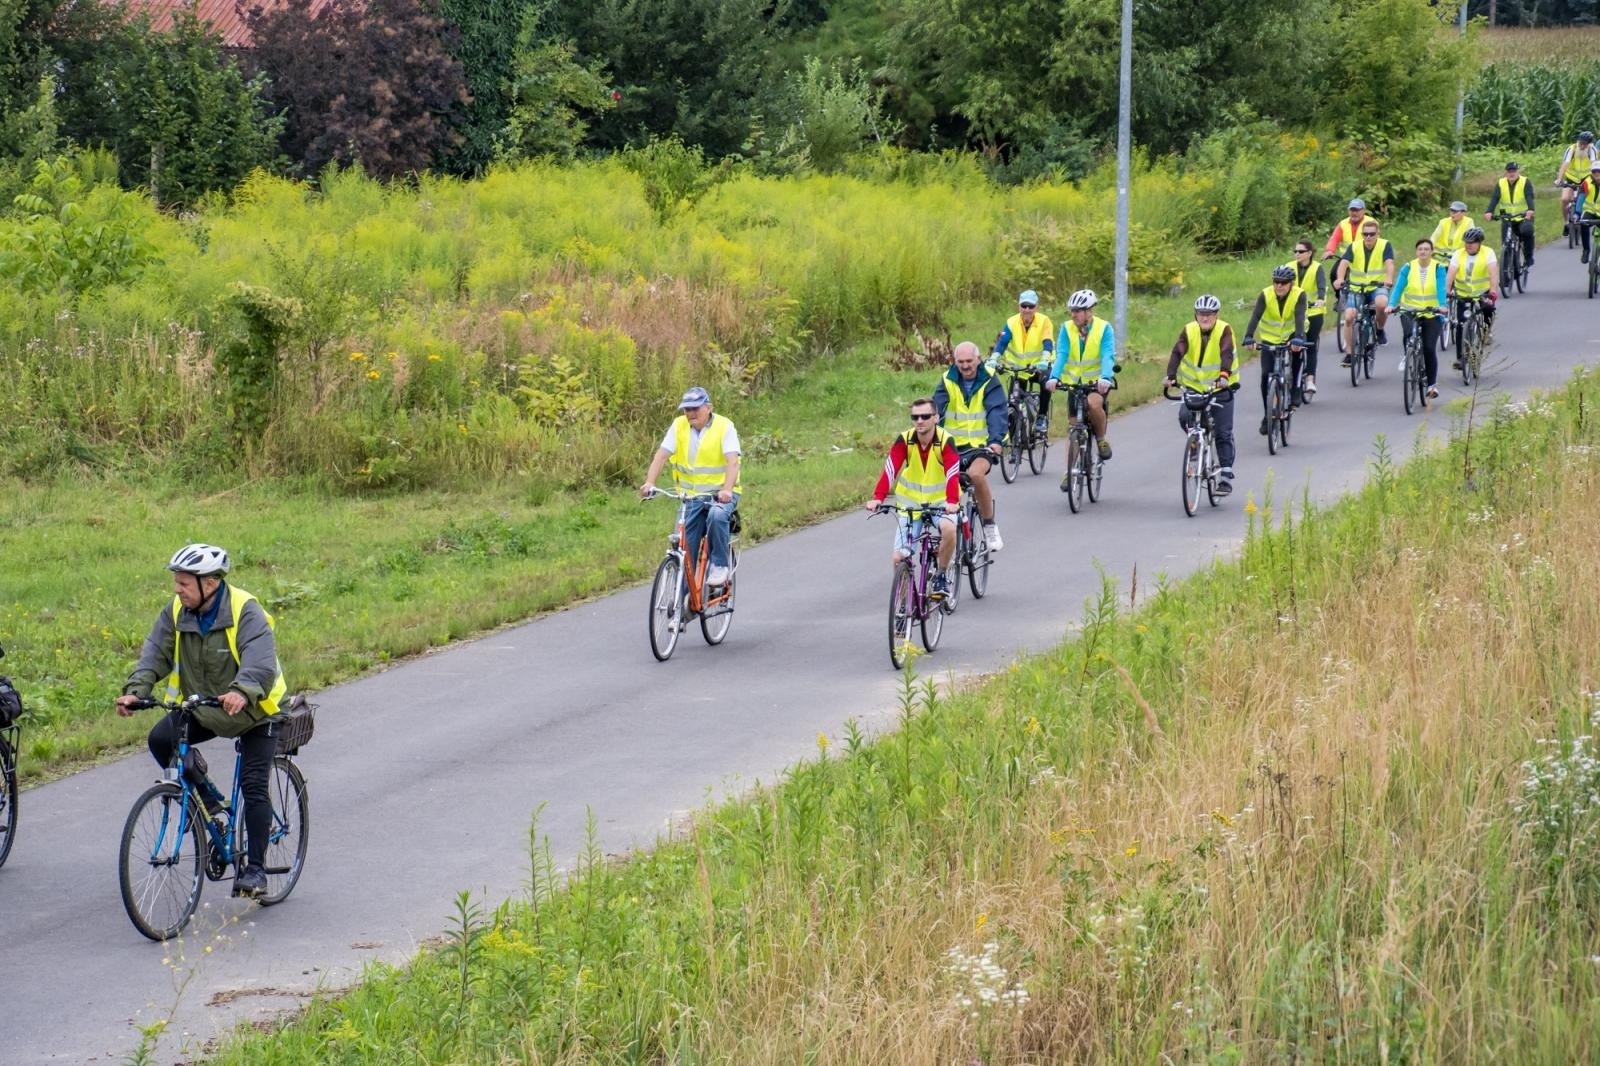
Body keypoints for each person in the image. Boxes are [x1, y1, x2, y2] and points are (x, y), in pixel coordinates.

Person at [115, 544, 288, 899]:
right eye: (176, 582)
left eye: (183, 583)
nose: (177, 589)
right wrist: (136, 691)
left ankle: (255, 871)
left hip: (257, 710)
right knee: (161, 740)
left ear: (209, 583)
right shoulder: (177, 611)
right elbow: (155, 653)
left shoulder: (245, 610)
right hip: (207, 706)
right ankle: (209, 805)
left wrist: (243, 690)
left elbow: (259, 660)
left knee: (253, 785)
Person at [640, 386, 741, 587]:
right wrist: (650, 482)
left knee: (717, 516)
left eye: (695, 408)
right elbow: (661, 456)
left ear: (708, 407)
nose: (690, 413)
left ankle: (719, 565)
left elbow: (733, 461)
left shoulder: (724, 426)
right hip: (691, 498)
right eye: (687, 409)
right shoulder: (679, 426)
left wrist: (727, 490)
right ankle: (683, 600)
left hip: (719, 495)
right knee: (684, 547)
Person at [867, 397, 961, 598]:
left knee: (949, 529)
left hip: (941, 503)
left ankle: (941, 575)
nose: (919, 421)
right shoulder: (906, 439)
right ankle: (902, 607)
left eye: (925, 416)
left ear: (936, 418)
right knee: (898, 559)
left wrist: (952, 501)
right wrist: (878, 497)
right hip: (911, 506)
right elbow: (891, 468)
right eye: (915, 417)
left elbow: (953, 472)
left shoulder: (945, 440)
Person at [933, 341, 1007, 551]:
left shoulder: (989, 379)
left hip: (981, 446)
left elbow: (997, 410)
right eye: (960, 362)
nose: (965, 366)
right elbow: (935, 411)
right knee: (938, 483)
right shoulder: (948, 380)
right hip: (952, 447)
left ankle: (989, 525)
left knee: (975, 475)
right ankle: (944, 531)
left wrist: (995, 440)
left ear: (978, 359)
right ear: (955, 362)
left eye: (969, 361)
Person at [1163, 295, 1239, 496]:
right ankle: (1196, 444)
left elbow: (1226, 353)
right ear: (1195, 315)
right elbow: (1177, 352)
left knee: (1222, 431)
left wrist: (1224, 375)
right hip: (1194, 386)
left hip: (1220, 387)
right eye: (1201, 314)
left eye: (1209, 314)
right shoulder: (1189, 330)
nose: (1205, 318)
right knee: (1184, 416)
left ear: (1216, 315)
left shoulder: (1224, 330)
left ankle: (1225, 476)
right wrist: (1170, 375)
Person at [1045, 288, 1116, 484]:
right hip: (1074, 384)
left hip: (1096, 383)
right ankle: (1069, 473)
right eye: (1072, 311)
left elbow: (1107, 355)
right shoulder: (1067, 328)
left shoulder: (1104, 328)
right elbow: (1062, 354)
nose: (1073, 314)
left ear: (1089, 312)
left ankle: (1100, 440)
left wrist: (1106, 377)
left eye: (1077, 311)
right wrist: (1054, 377)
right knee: (1074, 428)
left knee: (1093, 405)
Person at [1242, 265, 1307, 431]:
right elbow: (1255, 316)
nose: (1279, 285)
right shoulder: (1265, 294)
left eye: (1283, 283)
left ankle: (1296, 388)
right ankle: (1267, 415)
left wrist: (1299, 337)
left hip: (1293, 334)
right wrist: (1248, 336)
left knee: (1297, 354)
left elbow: (1300, 317)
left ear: (1291, 283)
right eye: (1276, 282)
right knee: (1266, 375)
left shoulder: (1299, 294)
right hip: (1270, 338)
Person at [989, 289, 1056, 434]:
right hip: (1018, 369)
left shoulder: (1044, 321)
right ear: (1019, 307)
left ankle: (1042, 416)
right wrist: (994, 358)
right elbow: (1002, 342)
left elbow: (1047, 342)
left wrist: (1045, 359)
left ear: (1036, 307)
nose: (1027, 309)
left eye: (1031, 306)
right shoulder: (1011, 322)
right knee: (1013, 401)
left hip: (1039, 366)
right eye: (1024, 306)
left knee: (1046, 383)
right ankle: (1014, 437)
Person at [1391, 238, 1449, 400]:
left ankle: (1432, 385)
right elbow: (1399, 287)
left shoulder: (1438, 267)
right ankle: (1408, 355)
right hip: (1410, 309)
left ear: (1431, 252)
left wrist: (1442, 305)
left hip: (1432, 312)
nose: (1423, 252)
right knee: (1408, 334)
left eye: (1426, 249)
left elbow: (1441, 288)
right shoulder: (1408, 267)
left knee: (1429, 348)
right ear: (1416, 252)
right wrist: (1391, 304)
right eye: (1420, 249)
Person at [1334, 218, 1395, 357]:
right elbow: (1344, 263)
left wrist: (1389, 279)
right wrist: (1340, 278)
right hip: (1357, 287)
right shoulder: (1354, 246)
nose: (1368, 237)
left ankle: (1379, 329)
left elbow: (1389, 263)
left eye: (1372, 234)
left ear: (1378, 234)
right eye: (1365, 234)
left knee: (1382, 303)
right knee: (1349, 317)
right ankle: (1349, 354)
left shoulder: (1384, 245)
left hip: (1377, 286)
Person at [1445, 226, 1499, 368]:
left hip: (1482, 293)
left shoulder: (1488, 253)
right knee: (1461, 325)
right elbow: (1451, 273)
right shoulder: (1458, 254)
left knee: (1489, 309)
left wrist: (1493, 292)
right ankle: (1460, 358)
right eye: (1466, 242)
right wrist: (1447, 290)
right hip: (1463, 294)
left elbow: (1493, 273)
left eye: (1472, 242)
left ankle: (1486, 332)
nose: (1468, 245)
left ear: (1479, 242)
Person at [1285, 240, 1327, 397]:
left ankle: (1310, 379)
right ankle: (1294, 381)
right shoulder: (1289, 266)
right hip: (1296, 313)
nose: (1297, 254)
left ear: (1309, 253)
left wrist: (1320, 298)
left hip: (1313, 311)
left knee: (1310, 344)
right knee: (1296, 346)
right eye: (1295, 251)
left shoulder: (1317, 268)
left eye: (1301, 251)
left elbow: (1321, 285)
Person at [1484, 160, 1536, 268]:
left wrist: (1530, 209)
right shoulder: (1501, 183)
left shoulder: (1525, 182)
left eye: (1514, 171)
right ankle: (1506, 272)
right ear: (1506, 173)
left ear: (1518, 172)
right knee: (1505, 244)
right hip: (1507, 218)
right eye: (1509, 171)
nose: (1511, 174)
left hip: (1523, 217)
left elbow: (1529, 197)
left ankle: (1528, 257)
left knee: (1527, 231)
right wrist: (1489, 211)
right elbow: (1495, 198)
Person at [1557, 131, 1598, 233]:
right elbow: (1565, 164)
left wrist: (1595, 179)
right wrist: (1559, 179)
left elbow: (1594, 166)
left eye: (1585, 144)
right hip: (1571, 177)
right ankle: (1566, 222)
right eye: (1581, 143)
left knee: (1584, 200)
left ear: (1589, 144)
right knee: (1565, 199)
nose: (1582, 146)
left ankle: (1582, 218)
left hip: (1586, 178)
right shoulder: (1572, 149)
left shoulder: (1592, 150)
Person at [1322, 198, 1377, 263]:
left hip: (1366, 259)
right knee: (1335, 270)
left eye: (1357, 210)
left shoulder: (1371, 222)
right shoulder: (1342, 224)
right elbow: (1334, 239)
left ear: (1364, 211)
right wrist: (1329, 250)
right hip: (1345, 259)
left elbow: (1375, 241)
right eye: (1352, 210)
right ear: (1348, 211)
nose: (1354, 213)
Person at [1572, 161, 1600, 264]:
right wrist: (1577, 214)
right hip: (1590, 212)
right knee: (1583, 224)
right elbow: (1580, 199)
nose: (1596, 174)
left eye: (1599, 171)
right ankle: (1586, 250)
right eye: (1594, 172)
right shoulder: (1587, 182)